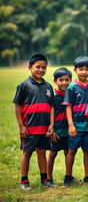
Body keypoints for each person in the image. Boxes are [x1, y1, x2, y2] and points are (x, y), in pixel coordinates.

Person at [13, 53, 55, 190]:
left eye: (44, 67)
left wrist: (51, 125)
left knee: (42, 151)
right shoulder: (24, 85)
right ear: (30, 67)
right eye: (38, 67)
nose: (41, 70)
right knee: (27, 152)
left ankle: (45, 179)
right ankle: (24, 180)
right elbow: (18, 106)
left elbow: (52, 107)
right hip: (30, 128)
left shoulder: (48, 86)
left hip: (44, 128)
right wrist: (21, 126)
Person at [63, 56, 88, 186]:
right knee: (71, 151)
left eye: (86, 69)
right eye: (80, 69)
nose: (83, 72)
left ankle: (87, 176)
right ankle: (68, 176)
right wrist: (71, 125)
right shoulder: (72, 87)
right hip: (76, 127)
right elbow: (68, 106)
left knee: (87, 151)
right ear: (75, 70)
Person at [47, 67, 72, 186]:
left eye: (67, 80)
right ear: (55, 81)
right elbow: (48, 115)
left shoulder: (71, 95)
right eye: (61, 80)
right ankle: (49, 177)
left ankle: (68, 176)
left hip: (68, 131)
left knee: (68, 152)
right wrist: (51, 131)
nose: (64, 83)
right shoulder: (52, 97)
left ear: (71, 80)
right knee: (52, 153)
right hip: (56, 131)